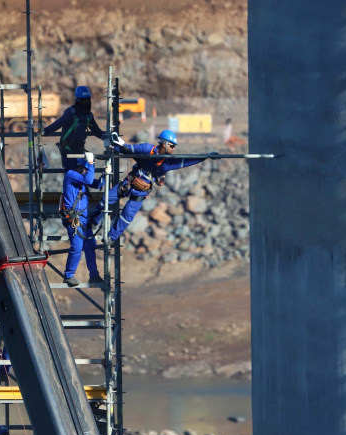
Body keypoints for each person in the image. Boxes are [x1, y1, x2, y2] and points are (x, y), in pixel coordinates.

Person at [88, 130, 217, 244]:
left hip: (141, 192)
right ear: (165, 144)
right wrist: (115, 145)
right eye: (172, 146)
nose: (173, 149)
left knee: (127, 215)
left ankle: (111, 237)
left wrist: (206, 156)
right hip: (129, 183)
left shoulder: (169, 162)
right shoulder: (146, 149)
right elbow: (129, 150)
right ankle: (94, 221)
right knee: (107, 199)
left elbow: (187, 160)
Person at [60, 153, 102, 287]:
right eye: (85, 169)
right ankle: (69, 275)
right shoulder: (71, 175)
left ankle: (94, 275)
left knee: (90, 246)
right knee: (76, 247)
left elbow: (98, 184)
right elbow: (89, 180)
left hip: (84, 220)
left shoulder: (82, 181)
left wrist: (108, 173)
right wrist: (91, 163)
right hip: (75, 219)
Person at [42, 85, 104, 171]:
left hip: (80, 149)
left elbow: (96, 131)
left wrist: (106, 137)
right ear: (78, 100)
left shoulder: (88, 115)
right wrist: (45, 131)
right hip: (68, 150)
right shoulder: (70, 113)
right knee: (71, 175)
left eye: (87, 100)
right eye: (83, 100)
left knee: (84, 175)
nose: (86, 102)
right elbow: (58, 123)